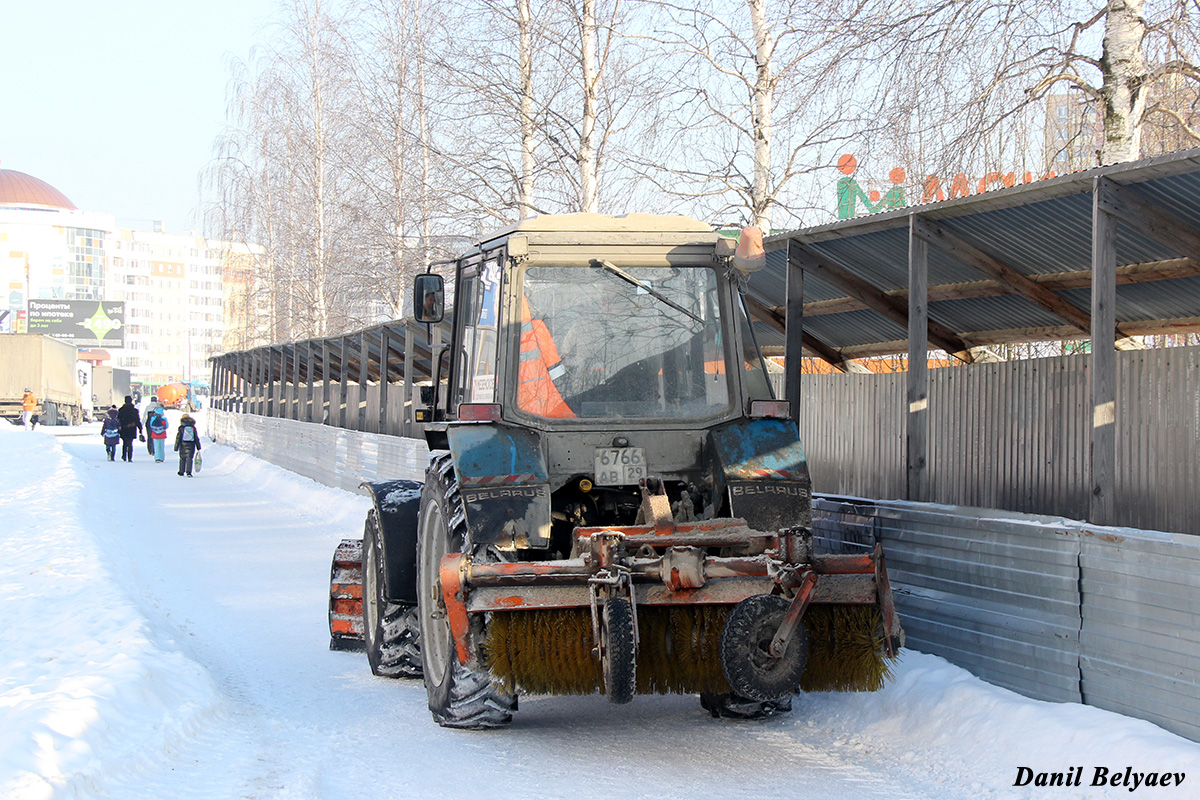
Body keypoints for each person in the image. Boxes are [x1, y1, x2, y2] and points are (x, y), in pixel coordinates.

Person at [116, 395, 143, 462]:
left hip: (124, 429)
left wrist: (118, 428)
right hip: (132, 428)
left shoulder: (121, 410)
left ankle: (124, 456)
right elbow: (137, 420)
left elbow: (118, 420)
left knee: (125, 442)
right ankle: (130, 457)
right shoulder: (135, 411)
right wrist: (140, 429)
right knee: (130, 443)